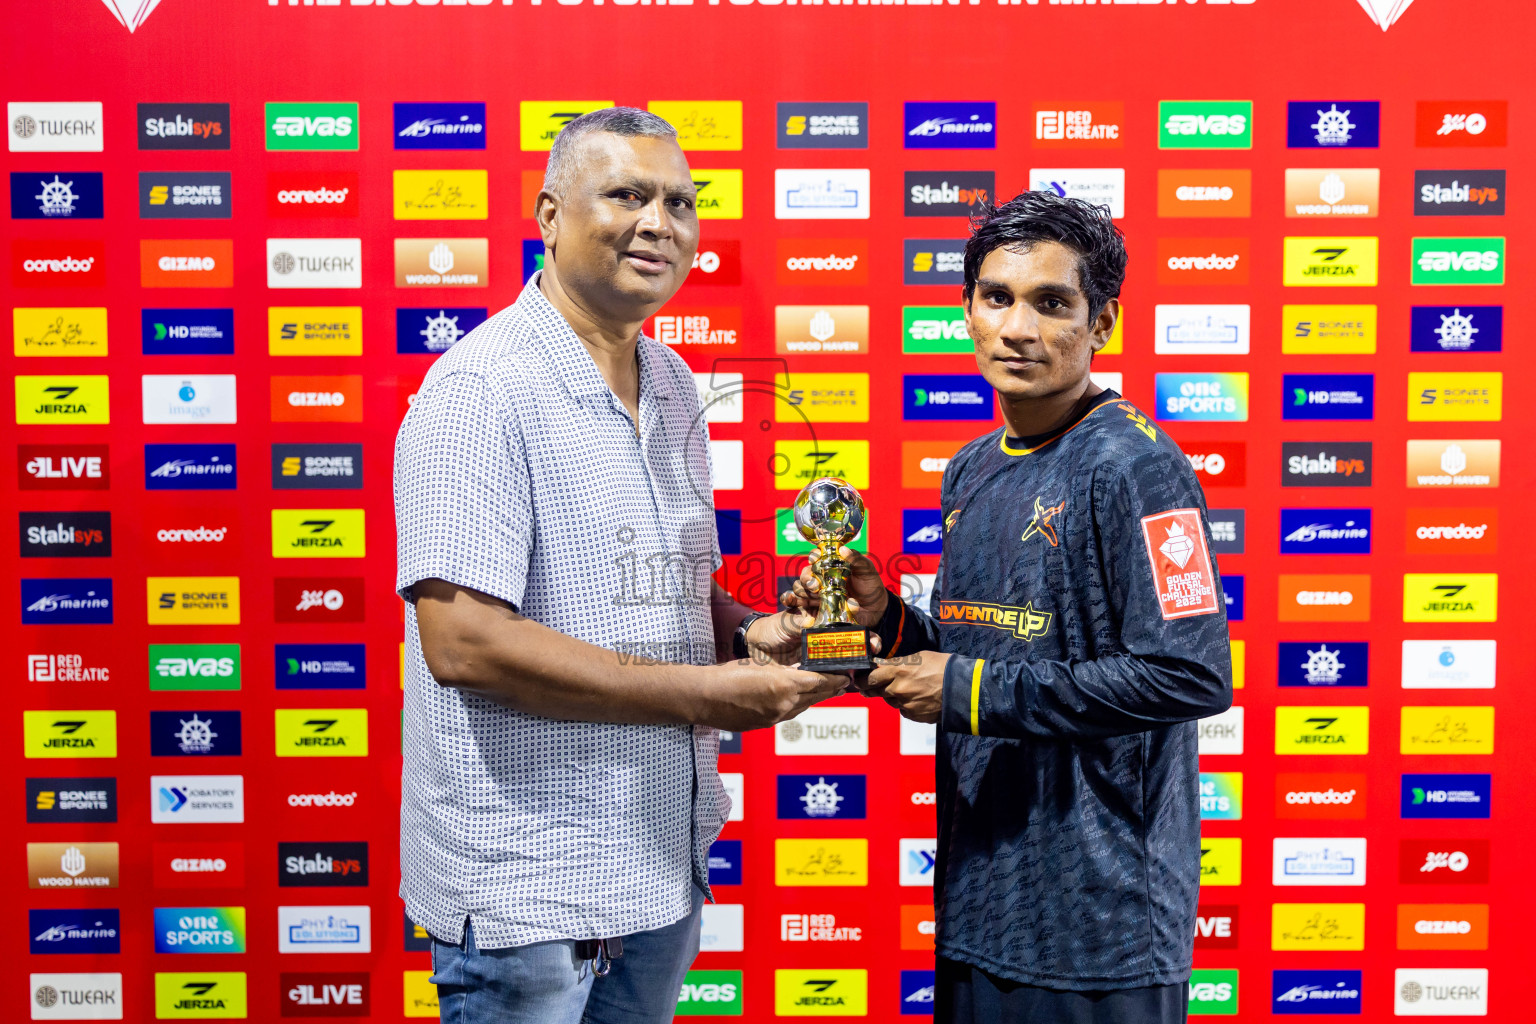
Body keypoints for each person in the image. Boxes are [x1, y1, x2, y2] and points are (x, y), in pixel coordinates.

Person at [393, 107, 840, 1024]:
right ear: (550, 215)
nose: (659, 222)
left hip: (656, 866)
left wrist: (752, 634)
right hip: (533, 891)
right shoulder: (482, 389)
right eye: (627, 195)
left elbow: (658, 582)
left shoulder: (674, 380)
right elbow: (465, 644)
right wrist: (707, 696)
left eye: (680, 201)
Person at [787, 191, 1233, 1023]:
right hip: (981, 896)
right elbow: (987, 647)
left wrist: (973, 694)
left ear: (1101, 324)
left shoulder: (1138, 465)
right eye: (997, 298)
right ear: (967, 310)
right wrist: (884, 620)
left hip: (1100, 928)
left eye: (1051, 303)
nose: (1017, 328)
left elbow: (1191, 673)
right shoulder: (970, 467)